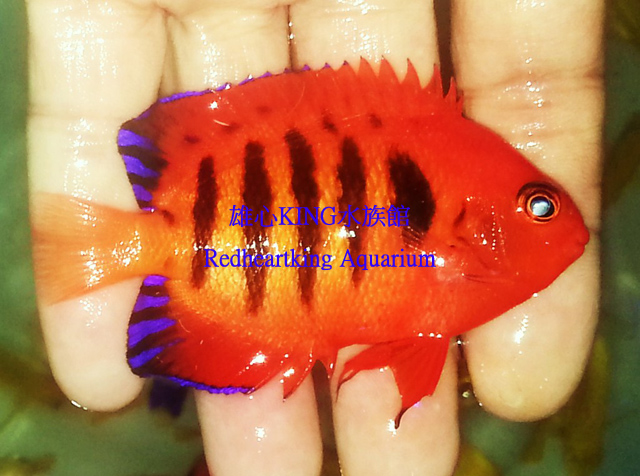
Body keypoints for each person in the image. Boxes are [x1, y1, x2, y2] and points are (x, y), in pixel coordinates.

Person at [26, 0, 603, 474]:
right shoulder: (460, 188)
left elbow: (418, 330)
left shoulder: (461, 204)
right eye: (541, 206)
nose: (566, 227)